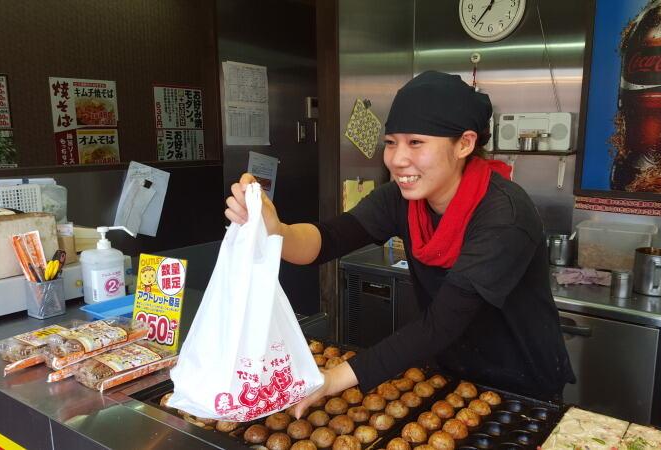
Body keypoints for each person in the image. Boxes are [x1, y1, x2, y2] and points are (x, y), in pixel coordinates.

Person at [225, 71, 574, 417]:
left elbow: (441, 323)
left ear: (464, 144)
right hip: (449, 371)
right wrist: (276, 230)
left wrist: (332, 379)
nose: (396, 159)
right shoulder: (401, 198)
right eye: (391, 142)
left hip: (521, 383)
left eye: (416, 143)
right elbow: (328, 239)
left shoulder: (504, 215)